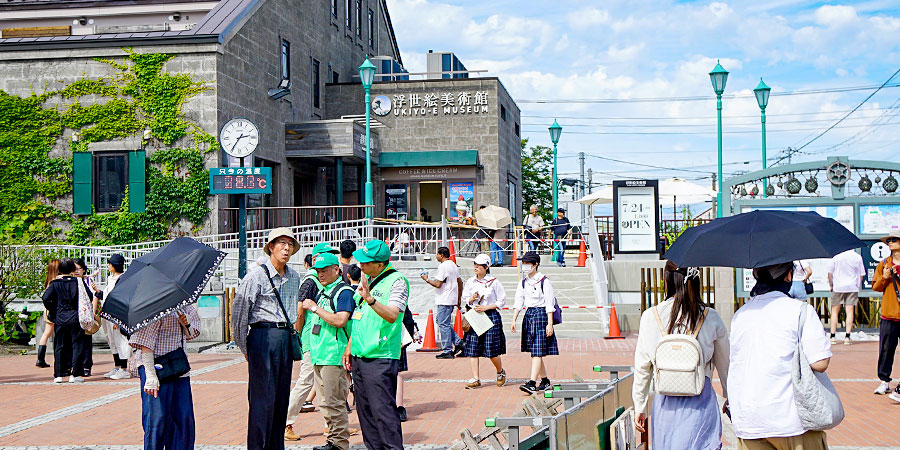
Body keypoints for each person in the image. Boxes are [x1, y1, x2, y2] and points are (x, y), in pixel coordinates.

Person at [728, 262, 832, 449]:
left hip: (749, 421)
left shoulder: (740, 315)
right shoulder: (800, 311)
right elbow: (820, 363)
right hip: (791, 420)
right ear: (788, 276)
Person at [632, 261, 730, 449]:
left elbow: (642, 368)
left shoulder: (650, 316)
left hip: (665, 405)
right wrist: (729, 396)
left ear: (666, 280)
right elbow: (725, 364)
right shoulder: (711, 317)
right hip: (701, 402)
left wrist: (640, 406)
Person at [232, 227, 301, 450]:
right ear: (271, 247)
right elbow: (239, 315)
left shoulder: (294, 277)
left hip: (284, 337)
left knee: (281, 398)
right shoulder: (255, 277)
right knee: (262, 398)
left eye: (290, 244)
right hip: (262, 336)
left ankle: (275, 446)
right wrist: (244, 346)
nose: (286, 248)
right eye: (281, 243)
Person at [343, 239, 410, 450]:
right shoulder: (369, 279)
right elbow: (360, 316)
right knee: (366, 415)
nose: (360, 266)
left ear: (380, 264)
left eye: (366, 262)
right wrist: (350, 345)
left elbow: (392, 315)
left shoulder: (396, 281)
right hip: (360, 355)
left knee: (384, 414)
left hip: (380, 356)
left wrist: (371, 299)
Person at [300, 252, 356, 450]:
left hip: (334, 356)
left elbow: (341, 320)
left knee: (334, 402)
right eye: (318, 271)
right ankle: (332, 440)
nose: (320, 275)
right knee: (324, 403)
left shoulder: (343, 292)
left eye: (324, 271)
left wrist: (315, 309)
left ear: (336, 270)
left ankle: (340, 444)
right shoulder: (323, 291)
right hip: (319, 355)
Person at [129, 305, 201, 449]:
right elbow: (145, 345)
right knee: (157, 419)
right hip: (155, 368)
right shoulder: (153, 306)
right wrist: (150, 376)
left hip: (178, 367)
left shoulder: (186, 307)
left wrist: (186, 324)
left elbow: (191, 334)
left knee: (183, 418)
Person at [285, 251, 325, 441]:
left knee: (324, 382)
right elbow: (300, 310)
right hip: (311, 338)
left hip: (320, 339)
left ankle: (332, 425)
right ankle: (286, 423)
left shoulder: (322, 280)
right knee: (305, 381)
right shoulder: (311, 281)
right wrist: (298, 334)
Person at [511, 251, 557, 394]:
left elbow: (550, 304)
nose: (524, 266)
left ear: (535, 264)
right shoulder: (523, 282)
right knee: (536, 350)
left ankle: (532, 383)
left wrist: (549, 324)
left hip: (542, 315)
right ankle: (545, 381)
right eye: (523, 263)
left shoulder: (544, 281)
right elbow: (518, 301)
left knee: (537, 352)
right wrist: (514, 320)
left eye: (527, 263)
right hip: (529, 315)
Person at [460, 254, 507, 389]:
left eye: (479, 265)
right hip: (475, 316)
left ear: (486, 267)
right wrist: (471, 299)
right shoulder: (470, 282)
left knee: (492, 350)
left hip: (490, 316)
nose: (476, 267)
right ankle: (475, 378)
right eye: (475, 264)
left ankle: (500, 371)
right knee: (473, 348)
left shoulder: (494, 282)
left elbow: (501, 301)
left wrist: (486, 307)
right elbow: (465, 298)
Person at [41, 258, 85, 383]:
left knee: (59, 345)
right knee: (76, 345)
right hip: (75, 316)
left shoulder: (55, 283)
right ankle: (75, 374)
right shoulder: (78, 282)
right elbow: (89, 296)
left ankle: (58, 375)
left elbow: (45, 298)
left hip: (60, 317)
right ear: (72, 269)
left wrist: (53, 310)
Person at [421, 246, 464, 359]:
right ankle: (459, 342)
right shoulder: (453, 265)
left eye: (437, 254)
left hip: (445, 298)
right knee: (441, 322)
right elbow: (460, 282)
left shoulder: (443, 266)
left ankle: (448, 350)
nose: (436, 256)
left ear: (441, 255)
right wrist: (458, 298)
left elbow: (438, 284)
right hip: (451, 298)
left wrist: (426, 279)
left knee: (443, 323)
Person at [873, 229, 900, 400]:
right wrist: (884, 277)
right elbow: (876, 286)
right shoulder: (884, 263)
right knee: (886, 349)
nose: (890, 242)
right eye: (888, 240)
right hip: (889, 315)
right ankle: (884, 380)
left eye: (894, 239)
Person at [102, 254, 132, 379]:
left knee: (121, 341)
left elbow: (121, 299)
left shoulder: (123, 279)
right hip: (107, 315)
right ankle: (117, 366)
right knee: (112, 340)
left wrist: (117, 318)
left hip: (116, 315)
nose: (108, 266)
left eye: (110, 263)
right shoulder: (111, 279)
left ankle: (124, 369)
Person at [827, 249, 865, 345]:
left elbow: (830, 274)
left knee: (835, 311)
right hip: (852, 286)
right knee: (850, 311)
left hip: (838, 287)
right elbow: (861, 274)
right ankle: (847, 337)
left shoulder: (836, 257)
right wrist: (857, 285)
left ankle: (832, 336)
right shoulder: (857, 257)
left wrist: (831, 285)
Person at [73, 258, 101, 376]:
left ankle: (86, 365)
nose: (76, 271)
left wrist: (93, 312)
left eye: (79, 269)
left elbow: (95, 296)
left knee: (86, 340)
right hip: (75, 315)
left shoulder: (89, 281)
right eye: (74, 269)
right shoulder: (70, 281)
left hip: (87, 314)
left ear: (83, 270)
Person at [397, 299, 420, 422]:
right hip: (397, 338)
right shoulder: (398, 290)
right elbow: (408, 318)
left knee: (395, 373)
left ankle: (398, 407)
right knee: (397, 374)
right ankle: (399, 406)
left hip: (386, 339)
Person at [36, 259, 60, 368]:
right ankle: (43, 359)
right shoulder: (56, 281)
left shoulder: (49, 280)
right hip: (54, 309)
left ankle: (40, 358)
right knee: (54, 333)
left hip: (47, 309)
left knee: (47, 333)